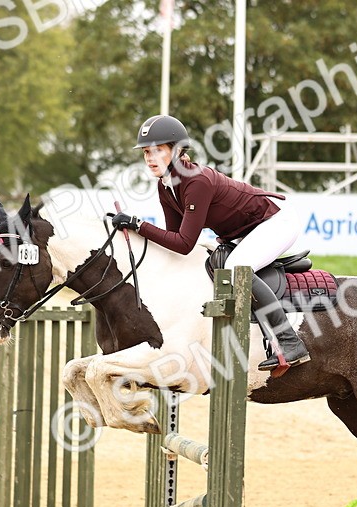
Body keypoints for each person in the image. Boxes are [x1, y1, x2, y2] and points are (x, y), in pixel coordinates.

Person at [109, 114, 309, 371]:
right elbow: (174, 239)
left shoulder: (196, 181)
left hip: (276, 220)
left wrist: (139, 225)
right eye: (146, 152)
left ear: (177, 151)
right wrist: (135, 231)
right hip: (245, 230)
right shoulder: (166, 186)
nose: (149, 158)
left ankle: (290, 341)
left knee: (237, 269)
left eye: (157, 150)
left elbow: (184, 243)